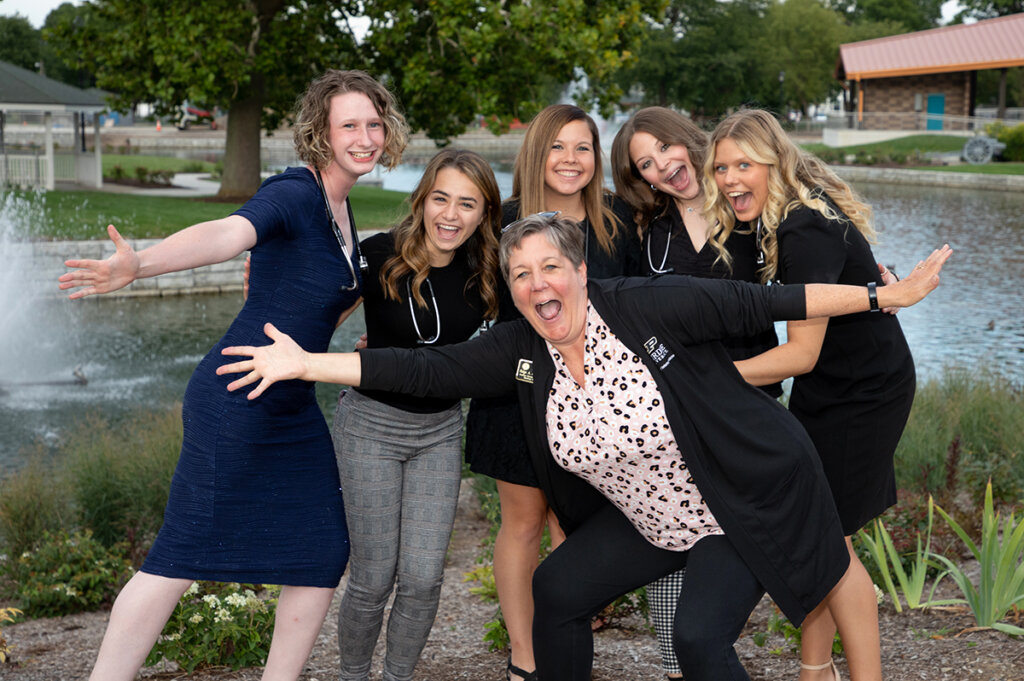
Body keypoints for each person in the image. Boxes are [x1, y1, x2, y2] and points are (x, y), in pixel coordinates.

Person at [218, 214, 951, 681]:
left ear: (579, 272)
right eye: (521, 273)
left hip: (737, 499)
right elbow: (424, 367)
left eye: (550, 267)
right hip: (651, 516)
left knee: (699, 639)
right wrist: (309, 365)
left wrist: (887, 297)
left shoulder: (644, 305)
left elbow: (769, 302)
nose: (538, 283)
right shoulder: (521, 349)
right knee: (557, 591)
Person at [56, 69, 408, 681]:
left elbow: (319, 292)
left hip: (291, 406)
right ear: (321, 133)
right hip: (237, 397)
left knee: (321, 549)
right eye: (349, 124)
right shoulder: (296, 193)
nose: (365, 136)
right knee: (177, 556)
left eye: (374, 124)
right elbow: (227, 234)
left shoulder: (342, 211)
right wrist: (140, 264)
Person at [705, 108, 915, 681]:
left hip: (864, 391)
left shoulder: (801, 224)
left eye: (743, 164)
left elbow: (799, 354)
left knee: (828, 540)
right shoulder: (785, 214)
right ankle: (815, 670)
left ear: (774, 162)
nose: (728, 179)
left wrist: (704, 381)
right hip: (832, 385)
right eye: (720, 167)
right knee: (826, 533)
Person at [461, 103, 638, 681]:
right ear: (537, 152)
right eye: (557, 147)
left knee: (579, 523)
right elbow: (429, 261)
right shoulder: (500, 221)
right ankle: (525, 656)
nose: (570, 159)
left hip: (598, 400)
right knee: (524, 522)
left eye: (583, 147)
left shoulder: (617, 221)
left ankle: (566, 640)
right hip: (518, 390)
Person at [611, 107, 784, 679]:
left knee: (740, 527)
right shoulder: (647, 230)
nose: (664, 166)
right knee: (672, 527)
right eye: (646, 163)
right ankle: (675, 662)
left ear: (688, 140)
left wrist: (865, 277)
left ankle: (710, 644)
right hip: (676, 408)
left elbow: (806, 260)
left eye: (667, 148)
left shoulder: (746, 208)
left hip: (749, 397)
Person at [330, 148, 501, 681]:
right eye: (441, 198)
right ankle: (354, 675)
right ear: (422, 199)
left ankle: (398, 675)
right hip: (369, 429)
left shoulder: (487, 271)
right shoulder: (379, 253)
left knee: (425, 578)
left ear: (483, 213)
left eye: (467, 204)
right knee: (373, 577)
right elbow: (321, 309)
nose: (451, 215)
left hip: (439, 432)